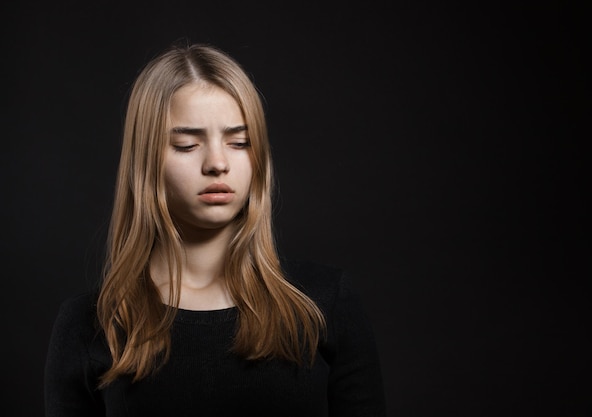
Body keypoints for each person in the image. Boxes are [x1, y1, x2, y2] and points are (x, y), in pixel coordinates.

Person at [44, 42, 386, 416]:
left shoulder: (324, 304)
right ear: (146, 160)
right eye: (187, 145)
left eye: (240, 142)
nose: (218, 163)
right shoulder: (89, 326)